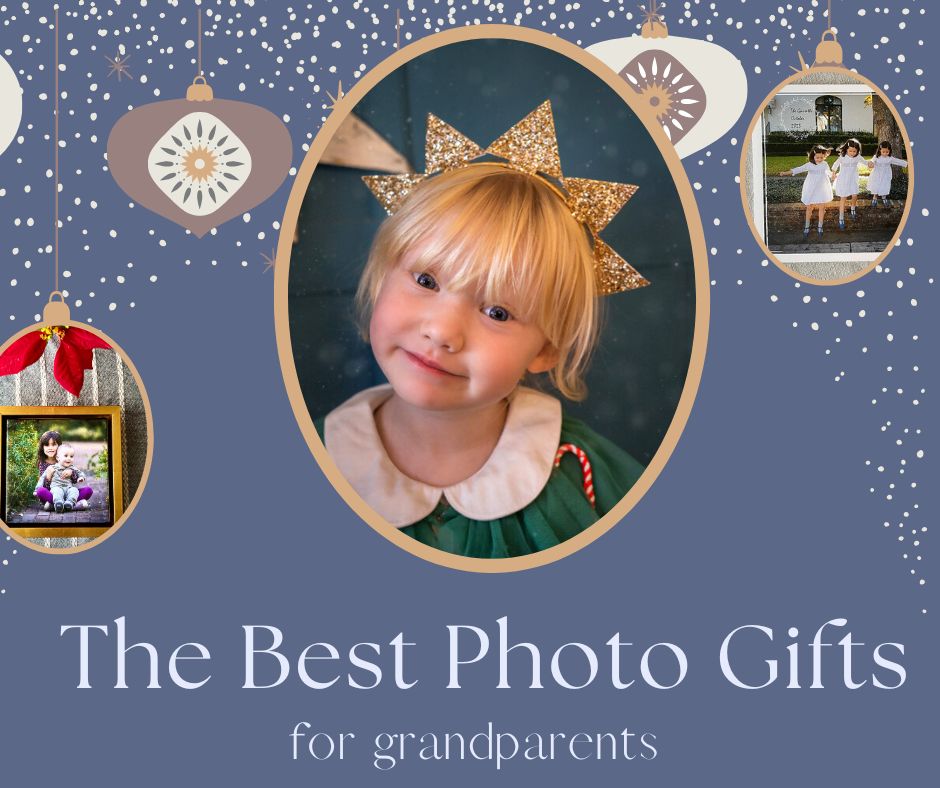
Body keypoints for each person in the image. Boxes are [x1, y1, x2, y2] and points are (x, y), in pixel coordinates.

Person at [320, 102, 647, 559]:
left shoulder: (584, 474)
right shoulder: (317, 458)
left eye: (497, 312)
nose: (441, 332)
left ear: (547, 349)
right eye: (427, 281)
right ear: (381, 279)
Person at [779, 144, 833, 237]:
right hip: (811, 188)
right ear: (813, 156)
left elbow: (828, 172)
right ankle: (807, 226)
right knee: (809, 207)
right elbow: (798, 169)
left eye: (821, 157)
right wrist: (785, 173)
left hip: (822, 188)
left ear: (824, 156)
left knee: (822, 207)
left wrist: (833, 175)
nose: (819, 159)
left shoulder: (825, 164)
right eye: (817, 157)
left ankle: (820, 226)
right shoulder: (809, 165)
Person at [34, 429, 93, 511]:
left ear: (59, 446)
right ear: (42, 447)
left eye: (53, 445)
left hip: (68, 492)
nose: (50, 448)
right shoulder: (42, 463)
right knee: (40, 491)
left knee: (88, 490)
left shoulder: (65, 458)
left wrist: (71, 473)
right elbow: (44, 485)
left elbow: (75, 480)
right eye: (47, 445)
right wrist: (48, 476)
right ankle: (71, 505)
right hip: (53, 493)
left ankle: (56, 506)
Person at [830, 138, 864, 229]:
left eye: (854, 151)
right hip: (843, 180)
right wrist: (833, 173)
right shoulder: (842, 157)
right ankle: (841, 217)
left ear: (857, 151)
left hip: (853, 179)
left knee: (854, 195)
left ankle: (853, 208)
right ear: (846, 149)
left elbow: (866, 162)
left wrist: (871, 164)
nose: (852, 153)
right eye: (850, 151)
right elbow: (835, 165)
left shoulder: (858, 157)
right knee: (843, 197)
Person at [44, 443, 84, 513]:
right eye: (65, 456)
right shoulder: (53, 467)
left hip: (68, 488)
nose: (69, 458)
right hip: (57, 487)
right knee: (56, 491)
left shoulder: (72, 468)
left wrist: (81, 477)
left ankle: (69, 503)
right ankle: (58, 503)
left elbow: (80, 473)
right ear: (58, 458)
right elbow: (44, 482)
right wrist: (48, 476)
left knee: (74, 490)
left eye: (71, 456)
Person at [867, 141, 908, 207]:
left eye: (887, 152)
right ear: (880, 150)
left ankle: (884, 198)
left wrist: (906, 163)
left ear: (889, 151)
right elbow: (872, 161)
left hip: (886, 175)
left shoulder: (890, 158)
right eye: (883, 152)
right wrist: (871, 163)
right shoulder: (876, 157)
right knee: (876, 186)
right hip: (877, 174)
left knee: (884, 185)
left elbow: (897, 161)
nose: (885, 153)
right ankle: (874, 198)